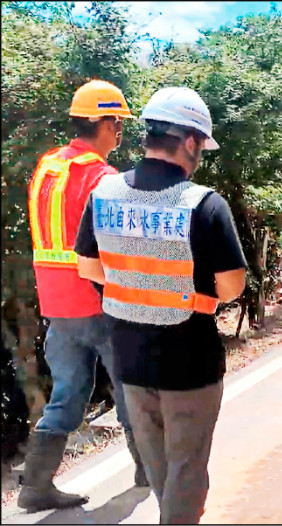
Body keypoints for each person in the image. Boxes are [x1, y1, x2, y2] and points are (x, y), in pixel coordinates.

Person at [75, 86, 247, 523]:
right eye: (200, 147)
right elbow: (231, 287)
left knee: (160, 470)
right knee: (187, 470)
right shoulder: (203, 204)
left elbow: (88, 267)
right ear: (190, 141)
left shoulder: (105, 193)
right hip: (190, 366)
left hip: (129, 360)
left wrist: (135, 286)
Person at [19, 79, 144, 513]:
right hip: (98, 301)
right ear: (102, 123)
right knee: (130, 386)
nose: (120, 133)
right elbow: (118, 244)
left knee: (69, 390)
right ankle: (149, 473)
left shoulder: (48, 166)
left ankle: (35, 486)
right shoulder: (101, 177)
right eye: (118, 124)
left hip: (56, 304)